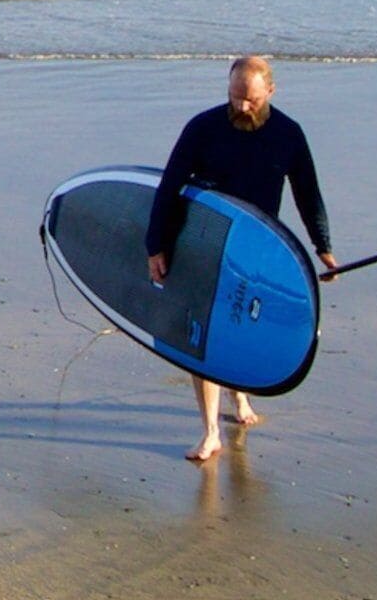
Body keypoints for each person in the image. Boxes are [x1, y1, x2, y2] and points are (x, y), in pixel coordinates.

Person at [145, 54, 338, 462]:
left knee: (242, 323)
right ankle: (210, 431)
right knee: (203, 334)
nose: (241, 106)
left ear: (271, 91)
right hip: (203, 242)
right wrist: (155, 246)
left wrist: (322, 246)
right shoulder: (203, 128)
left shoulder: (288, 134)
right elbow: (169, 185)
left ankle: (240, 396)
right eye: (235, 97)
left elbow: (308, 192)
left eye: (251, 99)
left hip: (257, 246)